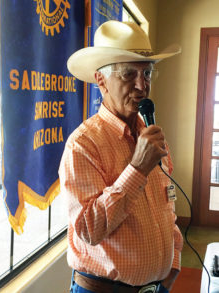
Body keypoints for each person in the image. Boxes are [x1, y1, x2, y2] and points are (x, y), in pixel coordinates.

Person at [59, 20, 183, 293]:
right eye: (129, 74)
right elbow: (89, 230)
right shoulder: (82, 145)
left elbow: (168, 205)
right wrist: (137, 168)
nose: (142, 86)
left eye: (147, 73)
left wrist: (173, 263)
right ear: (101, 81)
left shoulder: (151, 135)